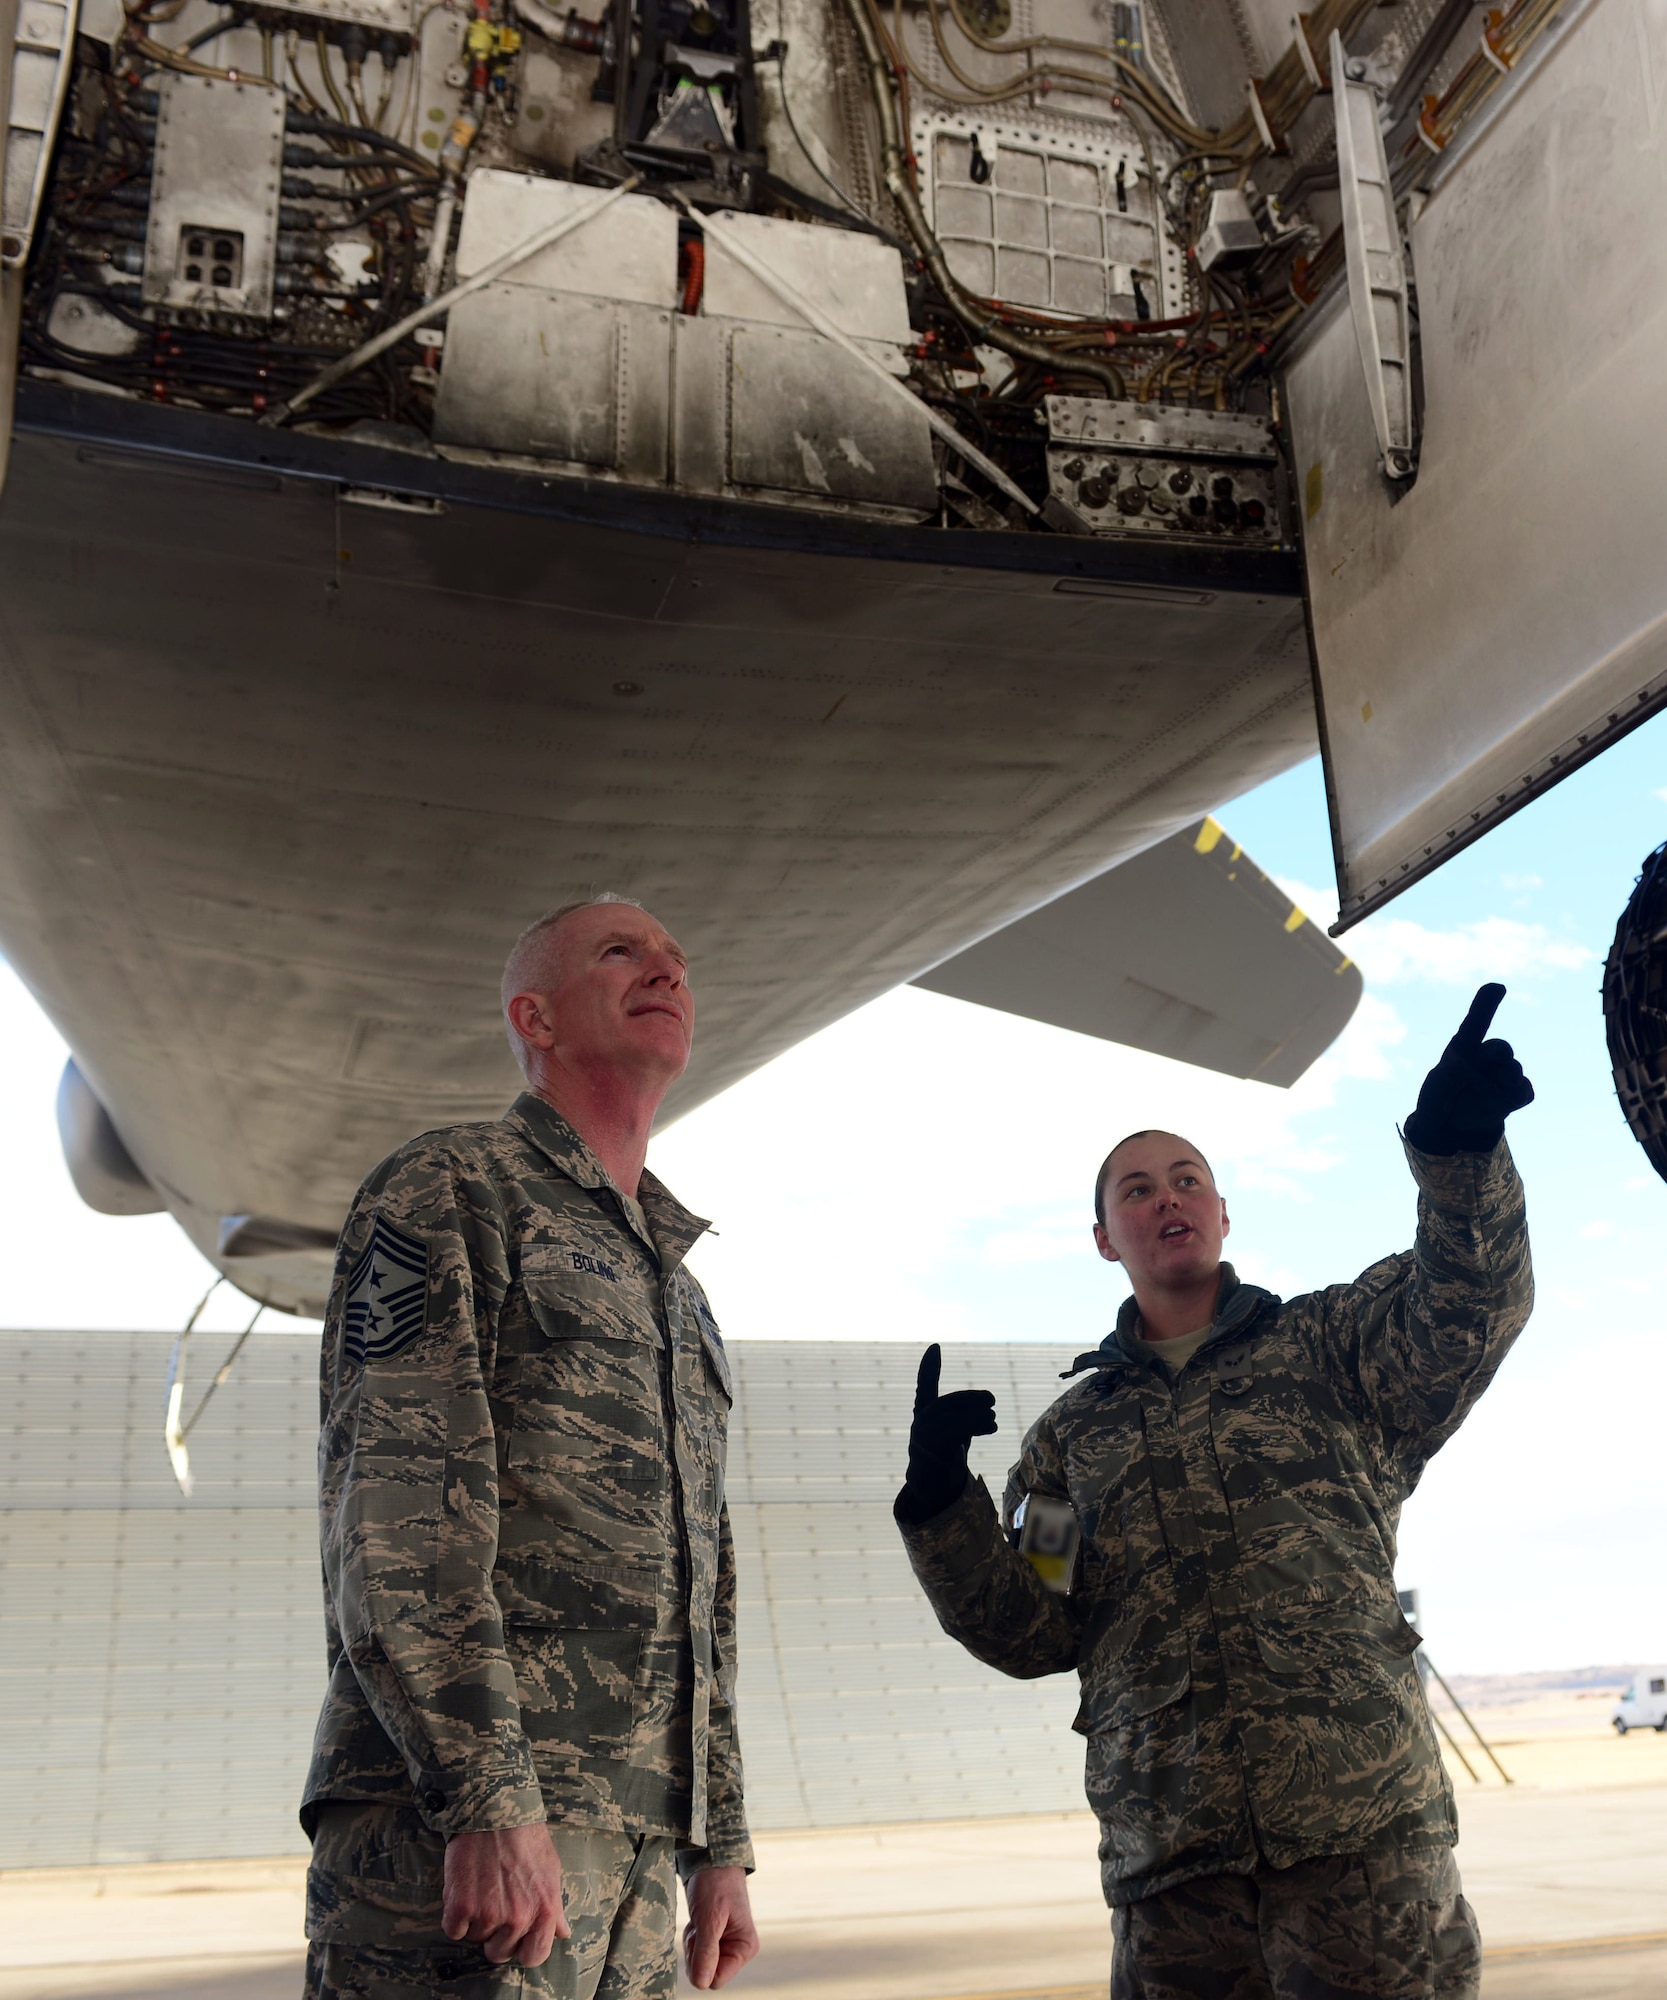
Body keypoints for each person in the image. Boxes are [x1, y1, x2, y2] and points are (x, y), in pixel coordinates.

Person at [894, 984, 1535, 2000]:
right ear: (1105, 1235)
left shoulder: (1330, 1350)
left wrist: (1455, 1157)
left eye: (1186, 1177)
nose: (1165, 1197)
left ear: (1222, 1213)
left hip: (1359, 1844)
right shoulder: (1073, 1438)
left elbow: (1464, 1305)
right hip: (1174, 1871)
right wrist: (940, 1505)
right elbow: (1035, 1624)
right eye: (1136, 1188)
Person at [301, 896, 758, 2000]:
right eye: (620, 951)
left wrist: (721, 1840)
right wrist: (487, 1798)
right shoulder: (451, 1188)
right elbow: (402, 1517)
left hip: (640, 1839)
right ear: (534, 1018)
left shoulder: (675, 1284)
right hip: (466, 1829)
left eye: (676, 959)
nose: (664, 969)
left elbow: (708, 1579)